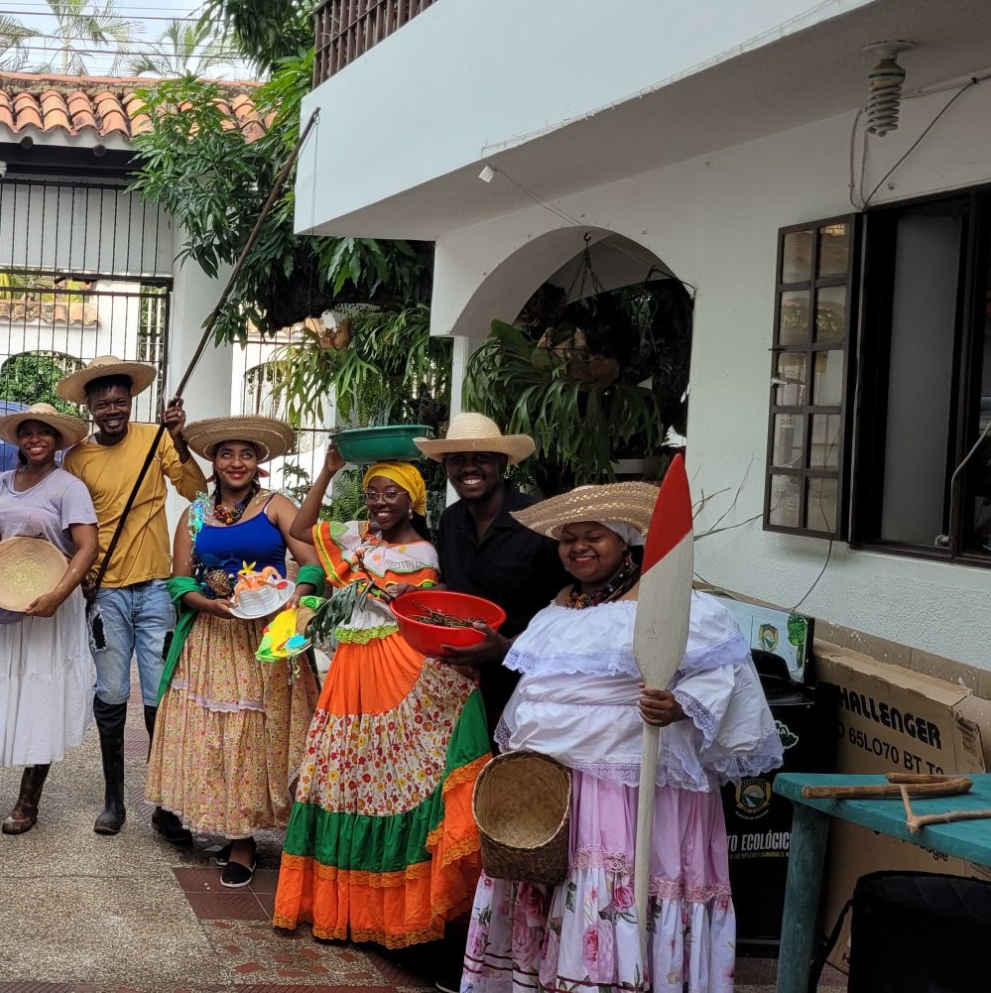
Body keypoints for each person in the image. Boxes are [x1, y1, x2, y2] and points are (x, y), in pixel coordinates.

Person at [462, 483, 783, 993]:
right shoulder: (561, 605)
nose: (578, 548)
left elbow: (726, 677)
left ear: (627, 541)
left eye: (594, 537)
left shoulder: (672, 603)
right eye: (568, 539)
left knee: (620, 882)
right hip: (557, 786)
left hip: (634, 781)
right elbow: (538, 690)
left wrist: (680, 705)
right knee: (557, 882)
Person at [274, 450, 489, 949]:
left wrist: (397, 600)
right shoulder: (358, 538)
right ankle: (338, 904)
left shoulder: (425, 554)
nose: (379, 503)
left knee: (392, 772)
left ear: (412, 500)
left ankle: (389, 909)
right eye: (372, 494)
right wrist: (328, 472)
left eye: (392, 494)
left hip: (397, 661)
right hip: (352, 665)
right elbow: (302, 530)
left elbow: (424, 615)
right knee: (342, 769)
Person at [145, 417, 320, 887]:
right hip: (211, 638)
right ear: (213, 461)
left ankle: (244, 841)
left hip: (268, 637)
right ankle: (226, 825)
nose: (236, 463)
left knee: (250, 733)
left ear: (258, 461)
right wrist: (208, 604)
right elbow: (180, 579)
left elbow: (312, 562)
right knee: (213, 735)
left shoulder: (276, 506)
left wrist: (296, 599)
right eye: (226, 454)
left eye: (246, 454)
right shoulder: (196, 513)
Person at [55, 355, 205, 837]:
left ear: (131, 401)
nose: (113, 410)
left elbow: (196, 489)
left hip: (157, 588)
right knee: (112, 692)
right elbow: (70, 524)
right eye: (104, 404)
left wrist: (179, 438)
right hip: (107, 593)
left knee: (160, 694)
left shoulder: (156, 438)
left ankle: (163, 803)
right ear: (91, 407)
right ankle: (114, 800)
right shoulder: (77, 458)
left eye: (120, 401)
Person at [0, 403, 100, 834]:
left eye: (43, 433)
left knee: (38, 697)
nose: (35, 440)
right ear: (18, 440)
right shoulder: (3, 482)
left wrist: (58, 595)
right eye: (27, 433)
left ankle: (28, 802)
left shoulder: (69, 488)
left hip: (48, 605)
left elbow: (87, 547)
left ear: (57, 440)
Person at [414, 414, 568, 726]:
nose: (469, 467)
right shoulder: (450, 520)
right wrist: (421, 598)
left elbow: (573, 605)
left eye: (481, 458)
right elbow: (455, 587)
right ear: (446, 468)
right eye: (458, 459)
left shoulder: (538, 522)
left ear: (501, 463)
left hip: (531, 684)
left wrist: (509, 647)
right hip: (464, 680)